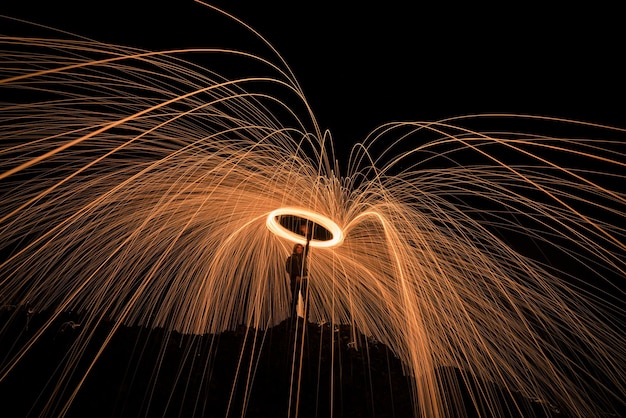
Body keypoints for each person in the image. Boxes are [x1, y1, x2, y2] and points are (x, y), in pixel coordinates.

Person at [286, 243, 308, 320]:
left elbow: (307, 247)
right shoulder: (291, 258)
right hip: (295, 281)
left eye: (301, 248)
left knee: (306, 298)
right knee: (295, 299)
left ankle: (306, 317)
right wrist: (295, 277)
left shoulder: (303, 257)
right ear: (295, 249)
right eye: (298, 248)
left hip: (304, 280)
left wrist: (307, 235)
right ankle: (293, 316)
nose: (300, 249)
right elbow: (288, 269)